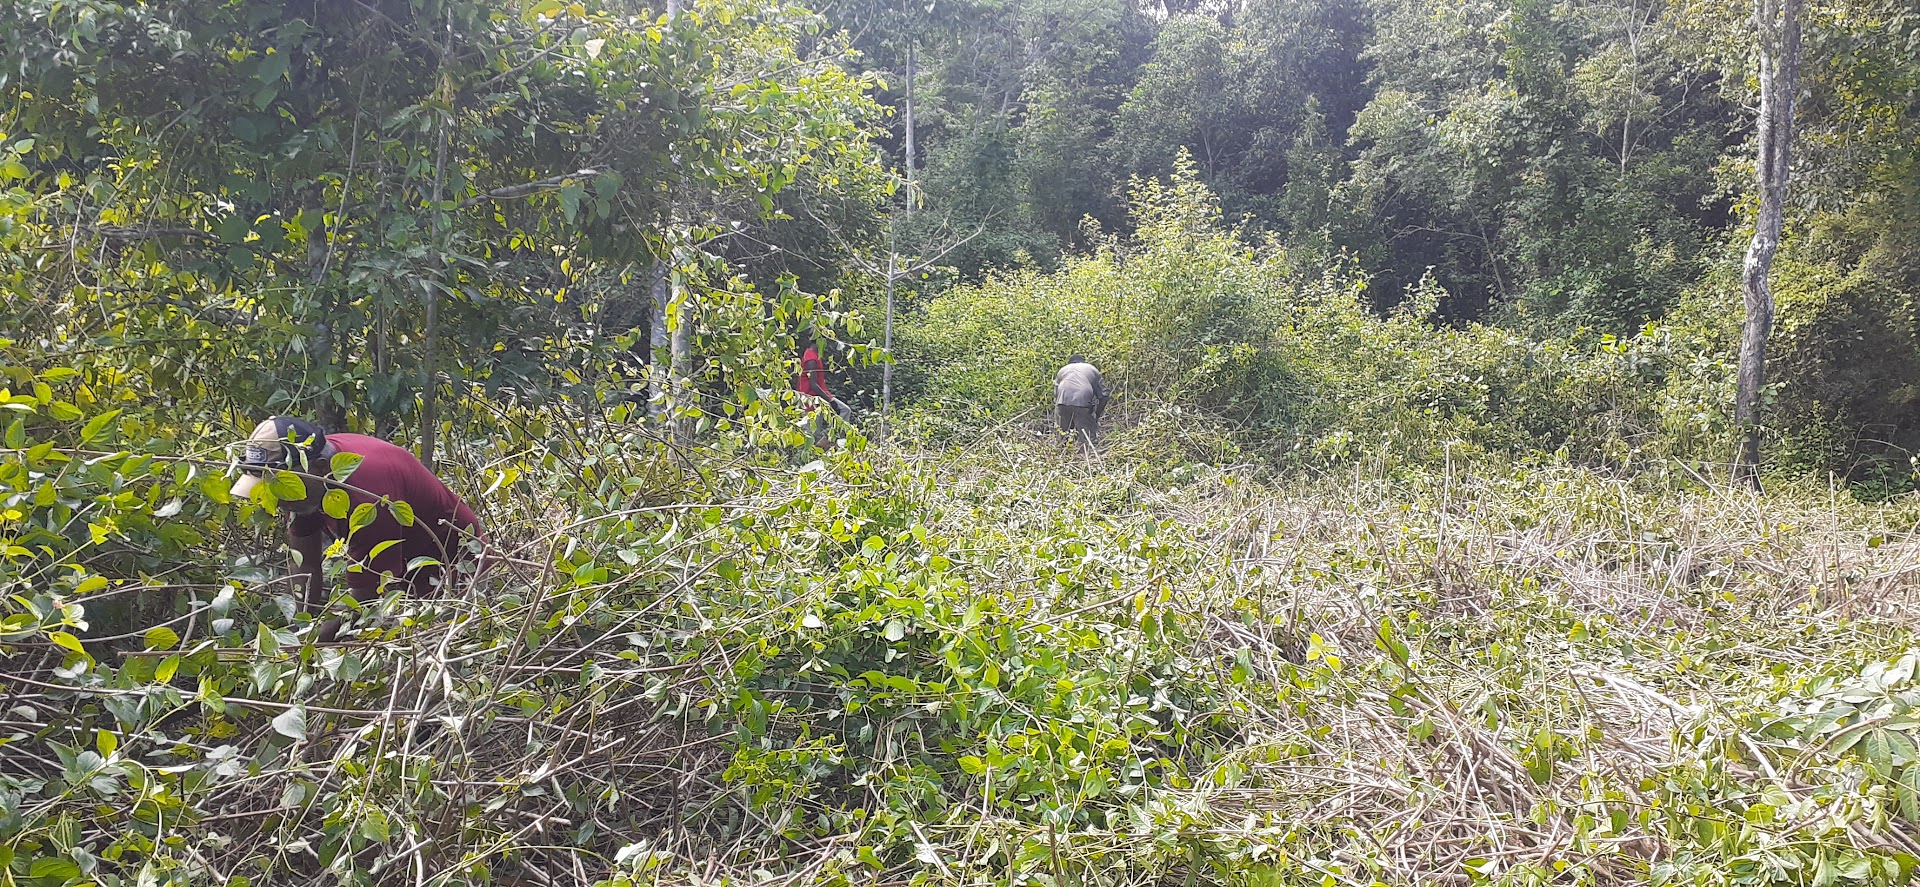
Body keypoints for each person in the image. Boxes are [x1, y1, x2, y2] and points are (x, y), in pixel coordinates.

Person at [230, 417, 484, 637]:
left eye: (278, 487)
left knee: (420, 642)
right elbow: (304, 565)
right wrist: (299, 628)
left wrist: (315, 642)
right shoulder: (304, 480)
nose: (275, 499)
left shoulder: (369, 499)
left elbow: (367, 594)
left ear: (319, 469)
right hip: (400, 560)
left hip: (453, 563)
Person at [796, 335, 852, 445]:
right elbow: (813, 385)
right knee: (811, 435)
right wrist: (830, 400)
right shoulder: (811, 358)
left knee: (845, 410)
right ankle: (821, 446)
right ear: (818, 341)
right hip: (810, 400)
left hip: (820, 398)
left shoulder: (815, 356)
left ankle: (829, 440)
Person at [1054, 355, 1108, 453]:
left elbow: (1056, 395)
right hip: (1082, 402)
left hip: (1062, 401)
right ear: (1083, 362)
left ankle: (1063, 460)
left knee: (1063, 438)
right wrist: (1096, 415)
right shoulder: (1092, 369)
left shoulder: (1062, 370)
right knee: (1088, 440)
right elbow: (1104, 396)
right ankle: (1089, 460)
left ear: (1070, 363)